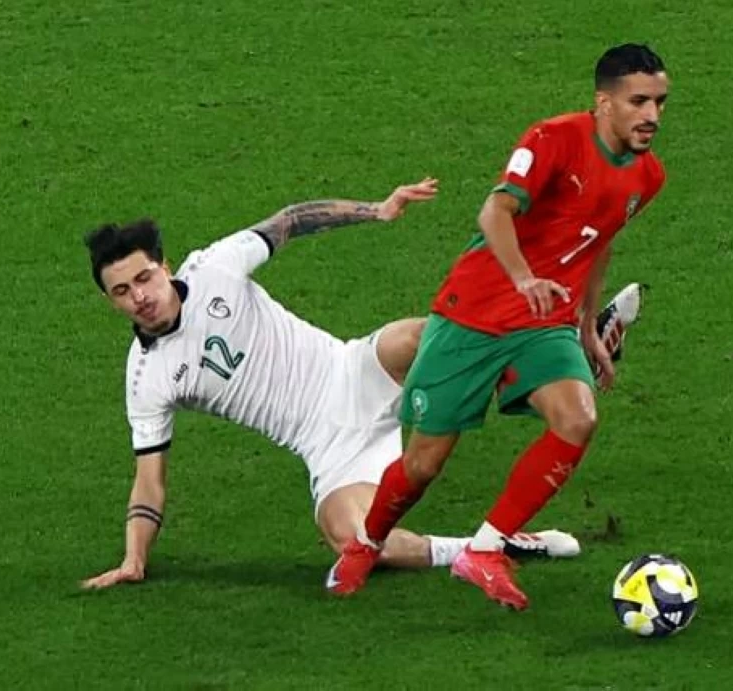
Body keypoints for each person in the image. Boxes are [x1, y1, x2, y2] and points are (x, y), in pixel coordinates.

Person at [80, 178, 587, 590]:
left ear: (165, 267)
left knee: (423, 339)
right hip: (326, 446)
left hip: (352, 371)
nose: (139, 296)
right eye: (121, 291)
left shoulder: (215, 267)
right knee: (354, 539)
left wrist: (377, 209)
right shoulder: (146, 377)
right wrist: (133, 559)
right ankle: (490, 546)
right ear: (110, 301)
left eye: (144, 278)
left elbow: (290, 220)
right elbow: (150, 480)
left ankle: (556, 354)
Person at [327, 44, 669, 610]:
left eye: (659, 102)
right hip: (474, 314)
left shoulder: (647, 176)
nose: (652, 115)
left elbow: (599, 241)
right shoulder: (553, 139)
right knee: (423, 464)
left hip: (544, 322)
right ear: (603, 102)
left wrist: (587, 326)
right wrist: (523, 277)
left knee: (578, 418)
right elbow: (495, 211)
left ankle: (483, 551)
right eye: (639, 102)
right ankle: (367, 542)